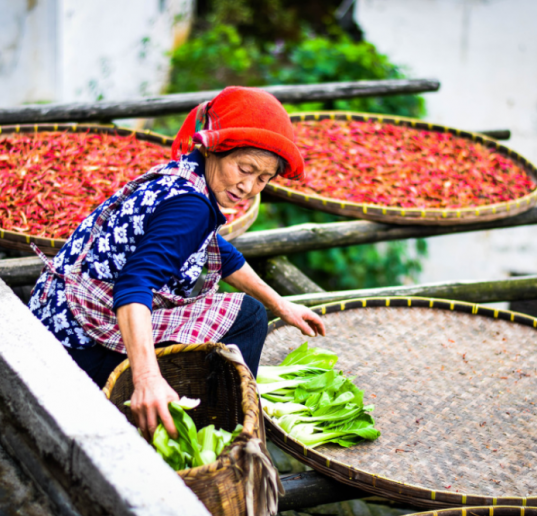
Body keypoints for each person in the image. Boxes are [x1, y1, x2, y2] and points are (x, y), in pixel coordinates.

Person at [28, 86, 325, 441]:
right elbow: (133, 284)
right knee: (248, 318)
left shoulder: (186, 174)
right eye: (244, 168)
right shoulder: (191, 206)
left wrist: (280, 304)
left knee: (253, 309)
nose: (248, 186)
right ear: (214, 148)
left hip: (59, 314)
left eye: (262, 179)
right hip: (79, 343)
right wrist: (146, 379)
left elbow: (216, 252)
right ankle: (222, 430)